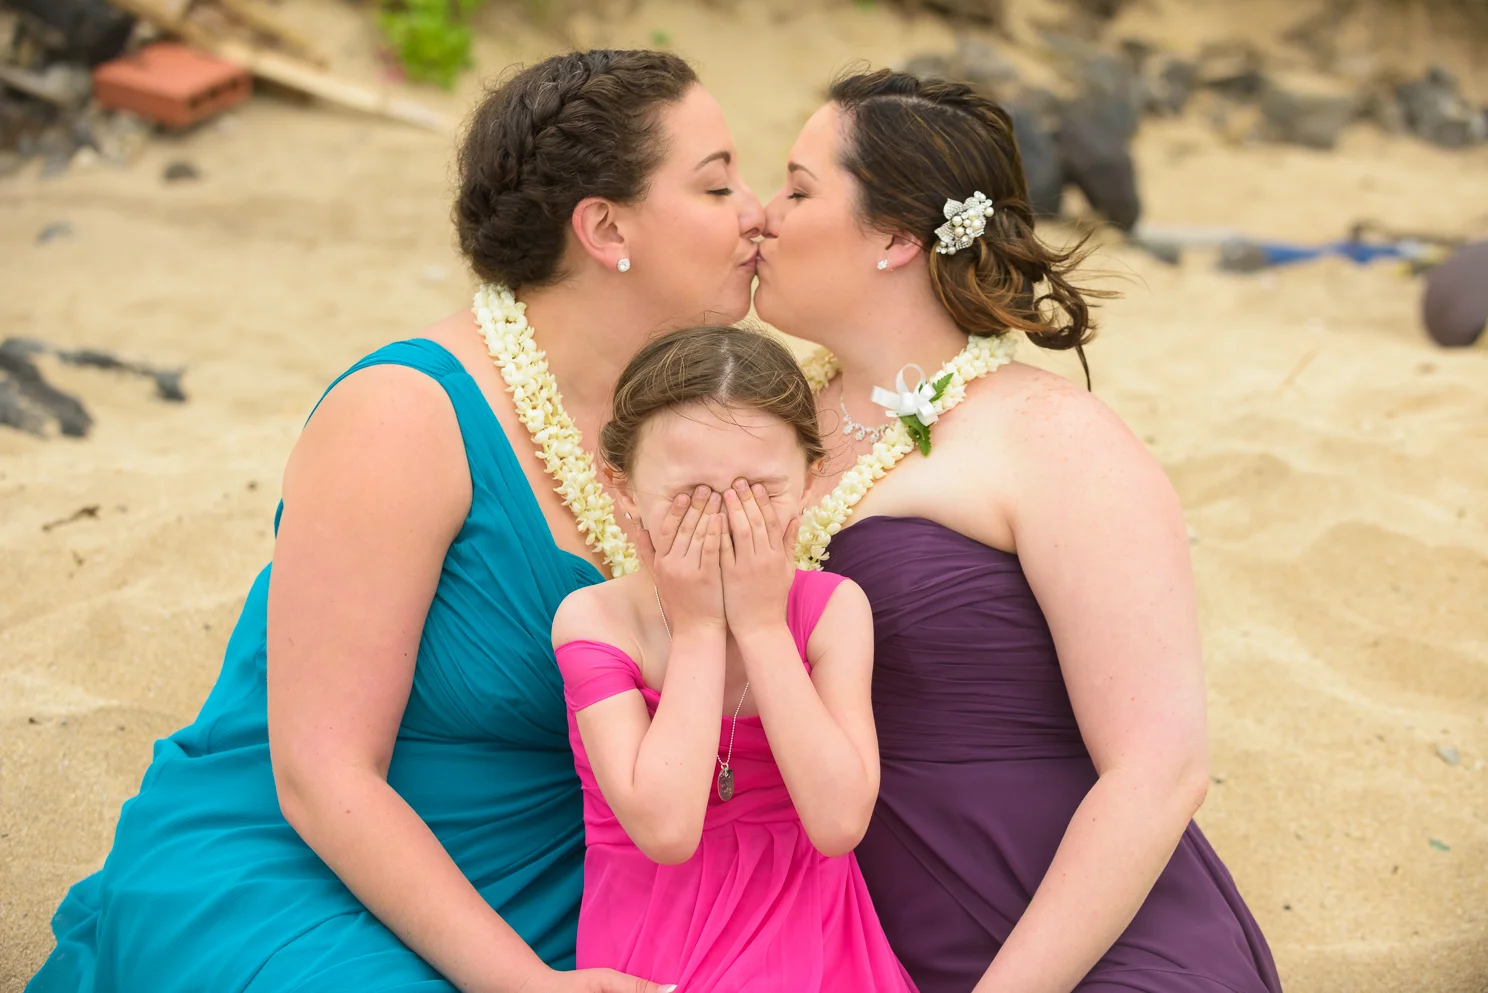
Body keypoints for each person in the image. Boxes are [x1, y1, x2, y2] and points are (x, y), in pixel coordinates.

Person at [29, 49, 763, 993]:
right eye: (716, 186)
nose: (757, 212)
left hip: (570, 893)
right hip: (317, 872)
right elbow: (322, 774)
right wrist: (523, 985)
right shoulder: (405, 413)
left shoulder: (701, 423)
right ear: (604, 226)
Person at [753, 68, 1282, 993]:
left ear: (897, 237)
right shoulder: (771, 425)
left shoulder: (1052, 438)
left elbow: (1159, 768)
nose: (763, 214)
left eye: (798, 189)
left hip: (1077, 946)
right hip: (852, 945)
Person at [552, 326, 916, 992]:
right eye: (691, 496)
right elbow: (666, 828)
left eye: (758, 493)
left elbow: (838, 822)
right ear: (624, 488)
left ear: (809, 481)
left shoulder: (833, 610)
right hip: (653, 938)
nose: (725, 521)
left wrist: (759, 625)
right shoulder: (598, 620)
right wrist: (697, 631)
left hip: (810, 938)